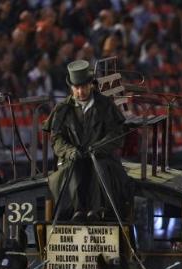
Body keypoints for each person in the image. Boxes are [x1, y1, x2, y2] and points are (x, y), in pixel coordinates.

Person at [43, 59, 131, 221]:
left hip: (102, 157)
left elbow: (116, 135)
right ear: (71, 88)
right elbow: (57, 140)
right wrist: (70, 151)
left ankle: (97, 211)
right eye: (76, 88)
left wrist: (98, 147)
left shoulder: (105, 105)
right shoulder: (62, 109)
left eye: (83, 87)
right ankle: (77, 210)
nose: (80, 91)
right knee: (73, 168)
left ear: (91, 84)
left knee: (100, 167)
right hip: (72, 159)